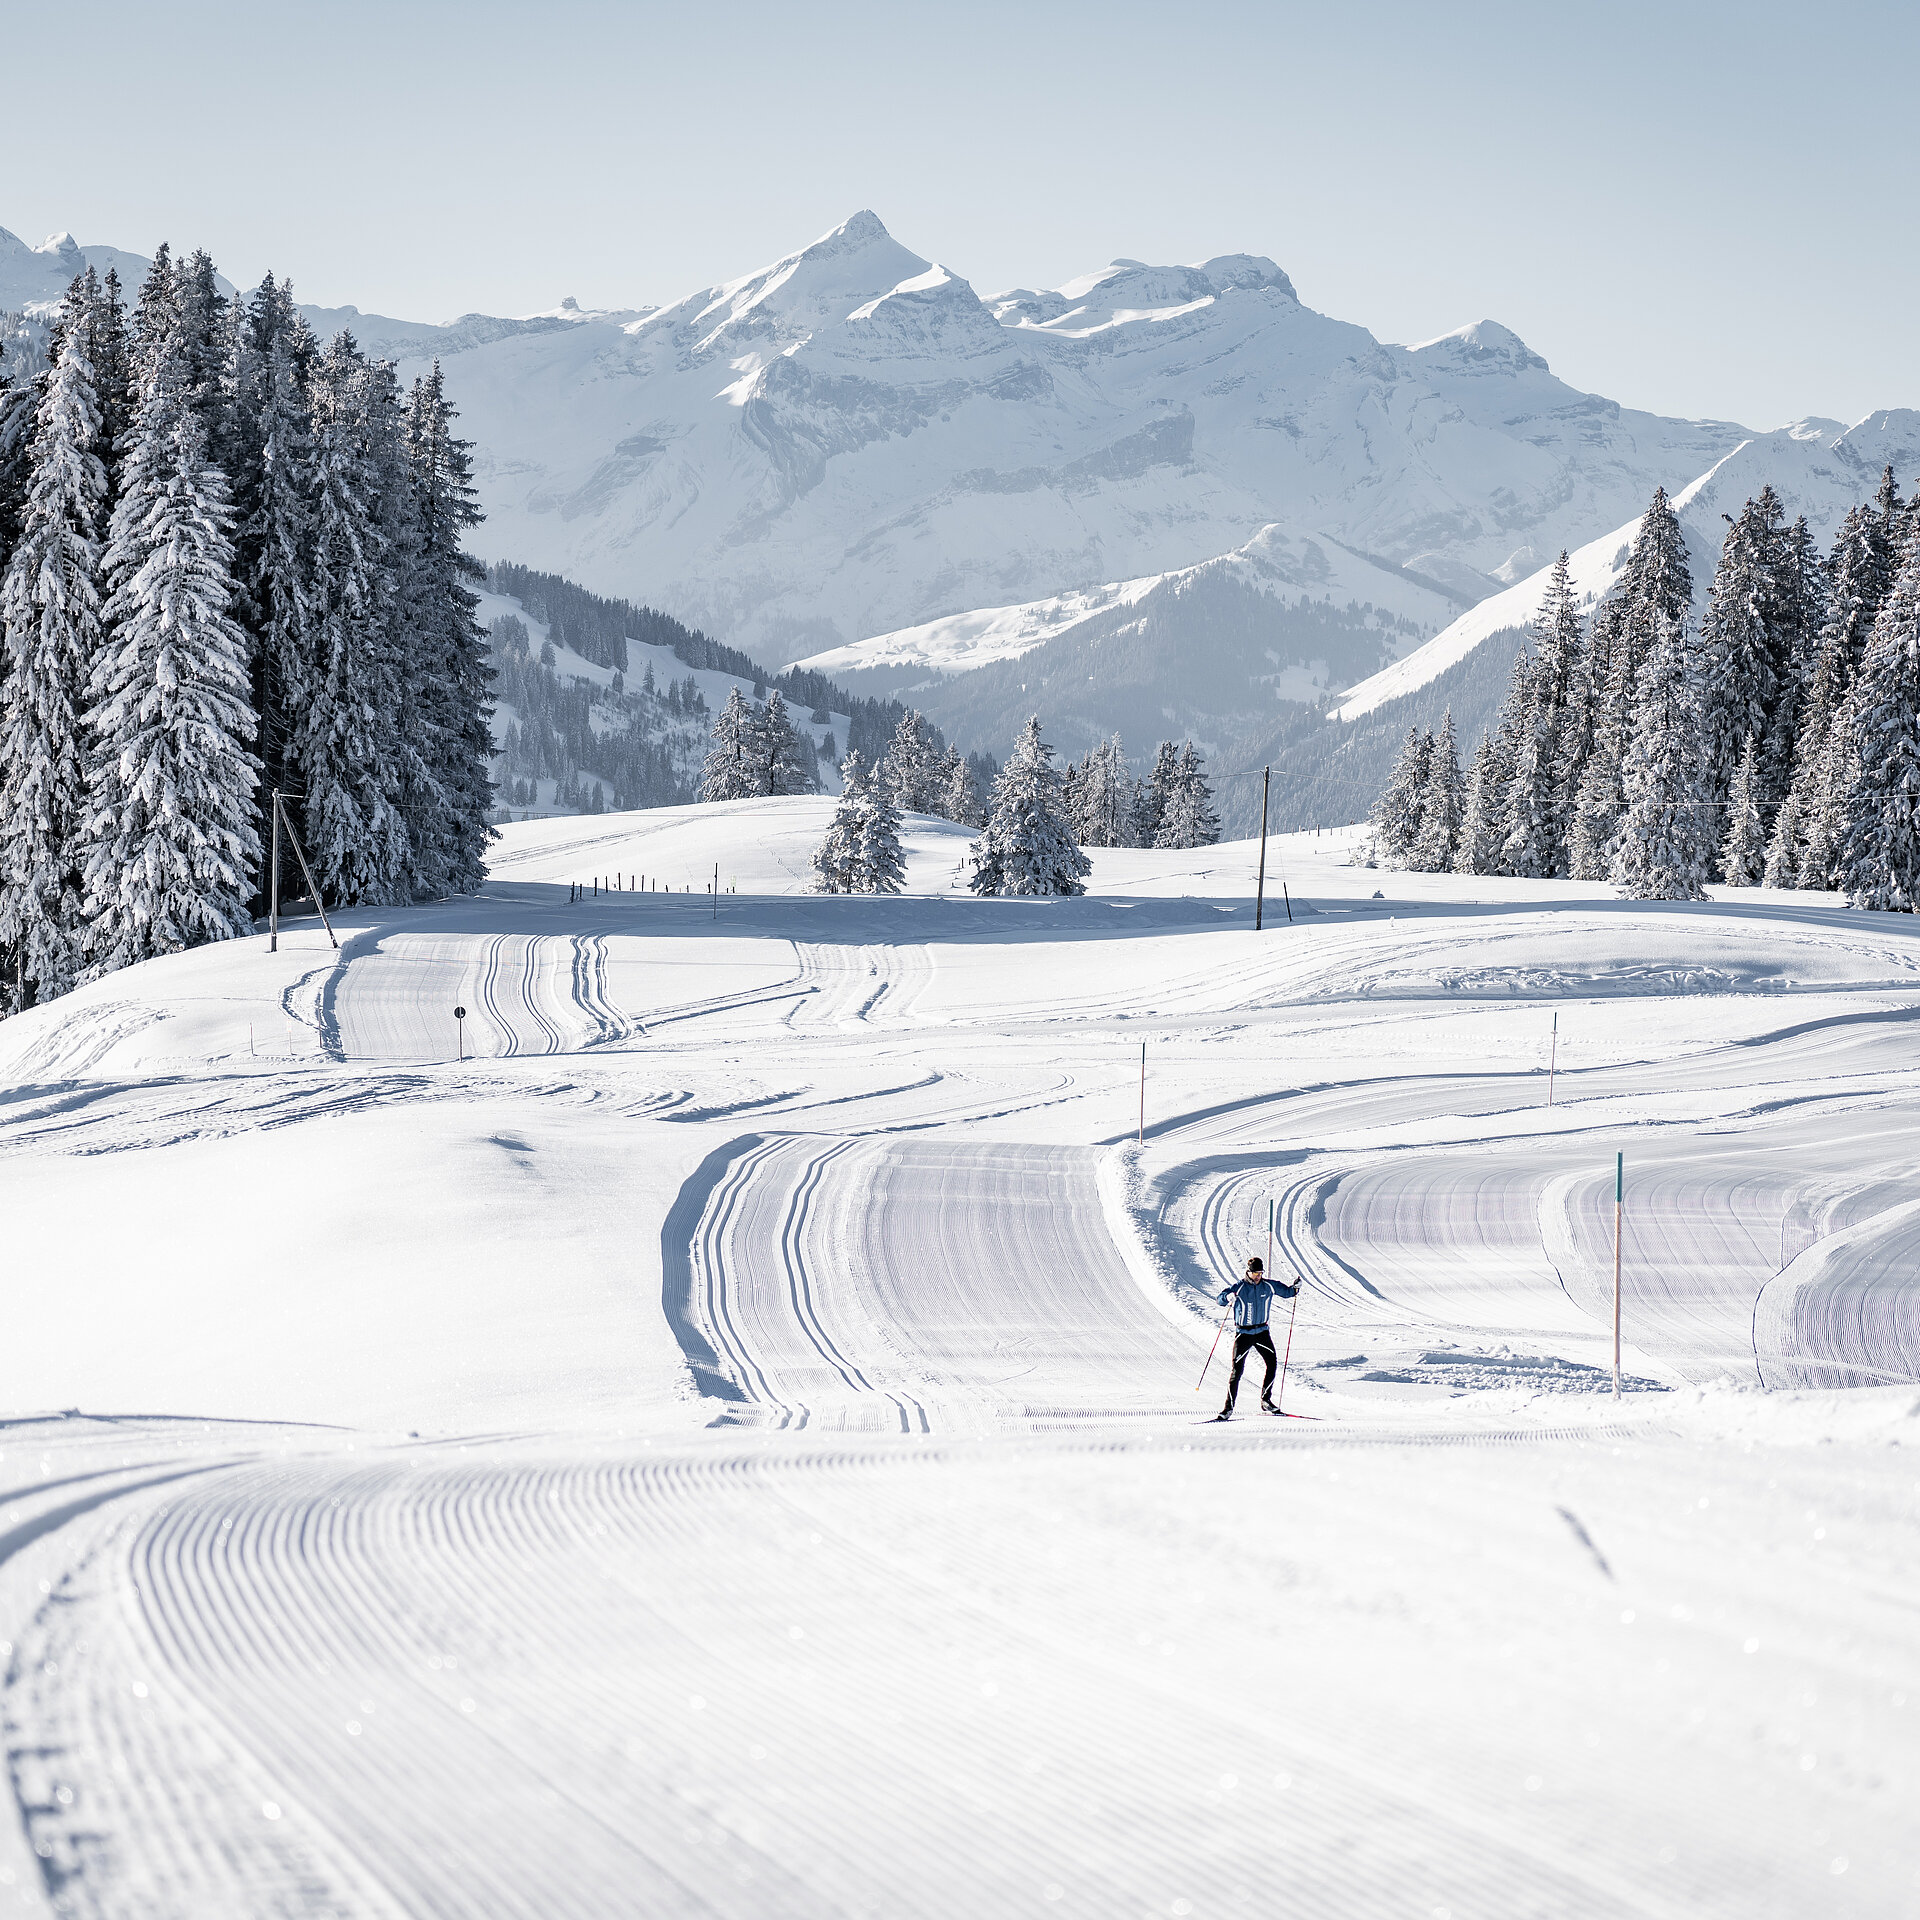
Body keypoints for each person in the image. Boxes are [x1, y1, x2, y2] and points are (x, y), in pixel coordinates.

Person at [1214, 1256, 1298, 1419]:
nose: (1258, 1276)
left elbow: (1287, 1292)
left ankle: (1266, 1401)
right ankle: (1228, 1409)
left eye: (1260, 1273)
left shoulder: (1268, 1286)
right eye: (1255, 1273)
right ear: (1249, 1272)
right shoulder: (1239, 1287)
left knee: (1272, 1363)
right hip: (1243, 1334)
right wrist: (1227, 1298)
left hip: (1261, 1333)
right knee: (1237, 1372)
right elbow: (1220, 1299)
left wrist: (1295, 1288)